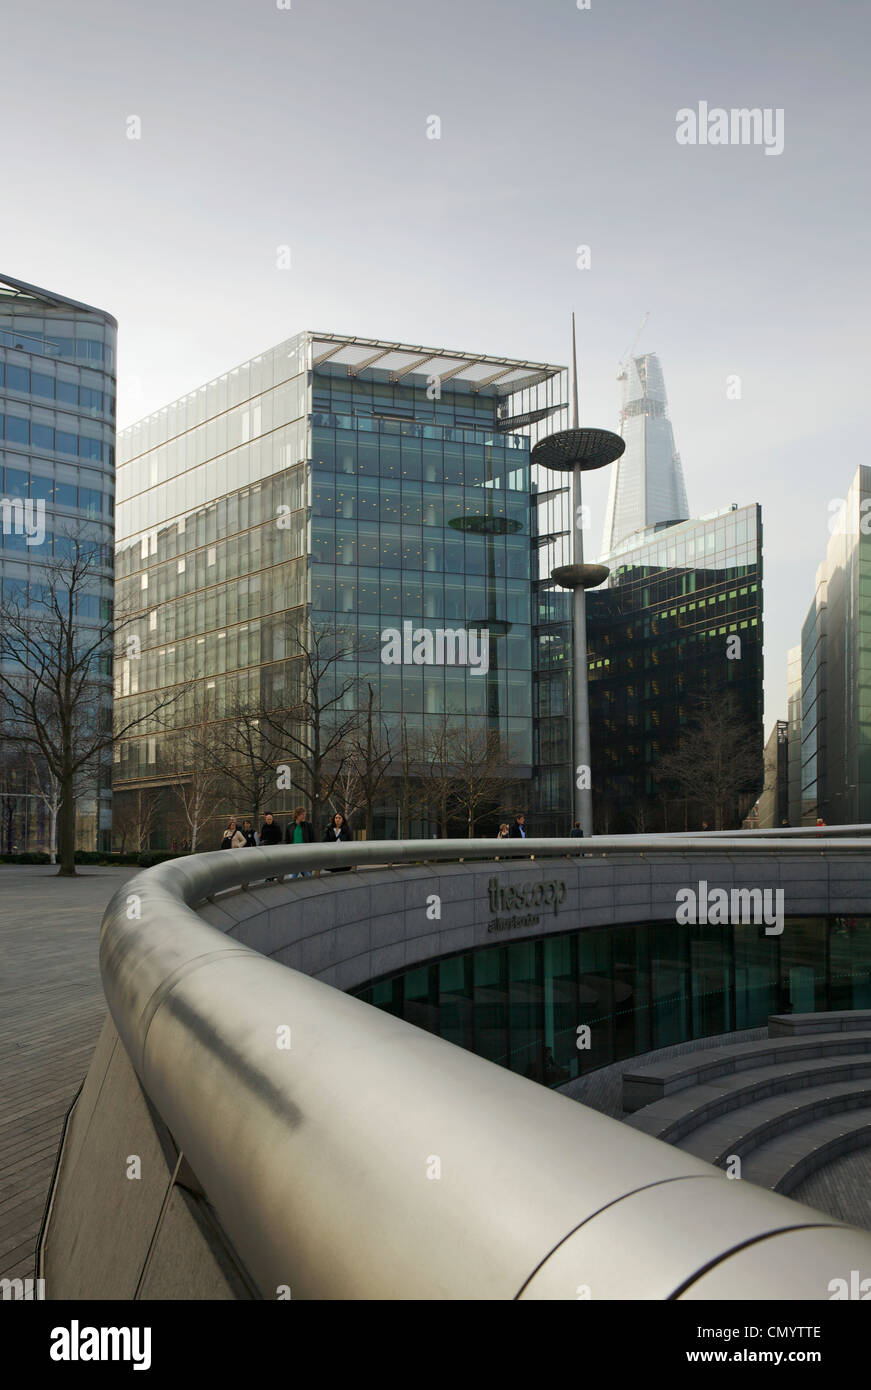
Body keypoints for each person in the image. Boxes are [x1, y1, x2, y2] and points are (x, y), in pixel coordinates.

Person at [286, 806, 315, 878]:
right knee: (296, 874)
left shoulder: (308, 825)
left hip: (305, 853)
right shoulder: (290, 826)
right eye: (302, 814)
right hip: (294, 853)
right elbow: (287, 840)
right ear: (297, 815)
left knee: (305, 873)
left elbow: (312, 839)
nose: (304, 816)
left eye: (305, 814)